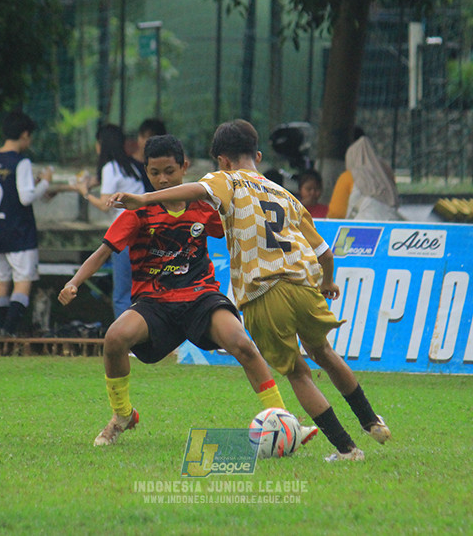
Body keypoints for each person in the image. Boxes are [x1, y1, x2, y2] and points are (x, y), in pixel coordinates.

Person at [110, 119, 391, 462]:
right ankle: (372, 421)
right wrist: (328, 281)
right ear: (256, 155)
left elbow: (196, 192)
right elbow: (325, 253)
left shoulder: (225, 179)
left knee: (298, 373)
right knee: (325, 353)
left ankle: (347, 449)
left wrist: (144, 198)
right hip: (304, 285)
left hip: (265, 292)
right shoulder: (285, 194)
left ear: (222, 160)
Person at [60, 135, 313, 448]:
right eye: (155, 173)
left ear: (184, 167)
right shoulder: (138, 212)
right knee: (114, 338)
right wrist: (74, 282)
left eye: (169, 170)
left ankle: (285, 421)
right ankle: (122, 415)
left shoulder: (203, 206)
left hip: (200, 297)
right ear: (146, 172)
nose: (163, 179)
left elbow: (236, 225)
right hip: (154, 303)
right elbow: (103, 252)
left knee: (242, 344)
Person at [0, 111, 52, 337]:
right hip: (19, 231)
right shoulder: (20, 162)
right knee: (23, 280)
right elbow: (26, 197)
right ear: (24, 135)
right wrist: (46, 183)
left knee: (1, 280)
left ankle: (0, 328)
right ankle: (9, 331)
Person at [75, 124, 147, 318]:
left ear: (102, 144)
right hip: (145, 232)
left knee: (122, 293)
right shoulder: (131, 166)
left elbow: (105, 204)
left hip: (125, 234)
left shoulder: (110, 167)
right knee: (140, 290)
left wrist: (85, 193)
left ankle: (124, 340)